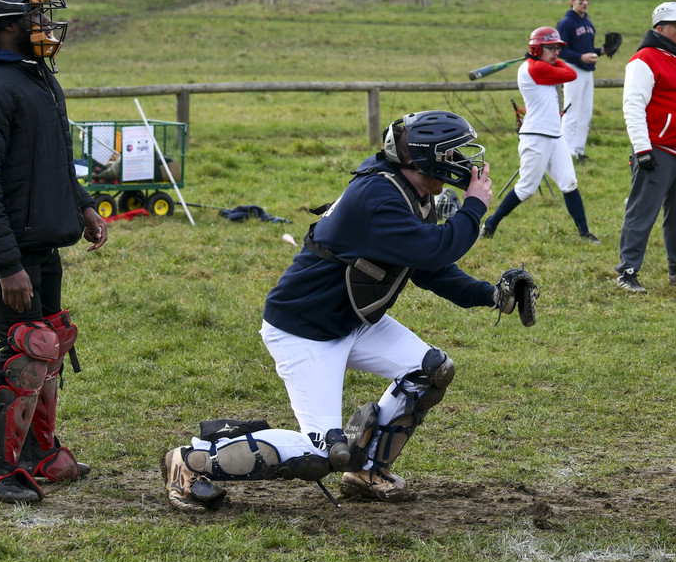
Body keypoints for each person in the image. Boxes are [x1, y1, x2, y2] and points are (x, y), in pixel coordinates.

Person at [161, 110, 538, 512]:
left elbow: (430, 269)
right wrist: (474, 207)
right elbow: (434, 250)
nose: (462, 162)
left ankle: (367, 471)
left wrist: (490, 295)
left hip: (349, 321)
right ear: (426, 159)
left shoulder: (410, 193)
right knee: (321, 454)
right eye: (452, 153)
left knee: (430, 370)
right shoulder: (378, 198)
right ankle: (189, 462)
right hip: (305, 329)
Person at [0, 0, 107, 504]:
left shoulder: (36, 77)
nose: (44, 26)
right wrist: (6, 263)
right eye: (34, 18)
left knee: (51, 343)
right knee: (28, 350)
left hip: (42, 243)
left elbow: (53, 156)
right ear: (6, 26)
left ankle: (39, 453)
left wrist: (83, 204)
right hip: (6, 252)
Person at [616, 1, 676, 294]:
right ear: (660, 29)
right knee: (642, 213)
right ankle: (627, 272)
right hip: (656, 151)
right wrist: (642, 149)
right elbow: (633, 105)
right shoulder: (643, 60)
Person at [482, 26, 599, 244]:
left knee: (569, 182)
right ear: (536, 49)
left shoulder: (541, 65)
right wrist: (547, 59)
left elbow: (567, 71)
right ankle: (491, 223)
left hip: (555, 135)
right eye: (551, 48)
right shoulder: (534, 68)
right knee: (526, 188)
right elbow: (571, 73)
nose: (556, 53)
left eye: (558, 48)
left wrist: (549, 57)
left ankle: (585, 233)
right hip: (536, 137)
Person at [556, 0, 598, 161]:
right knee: (572, 112)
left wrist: (602, 51)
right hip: (572, 69)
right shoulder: (566, 23)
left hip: (587, 71)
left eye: (587, 0)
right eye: (581, 0)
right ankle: (566, 152)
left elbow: (588, 49)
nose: (585, 3)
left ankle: (578, 151)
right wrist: (580, 57)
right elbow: (560, 50)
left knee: (585, 113)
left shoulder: (587, 23)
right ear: (572, 2)